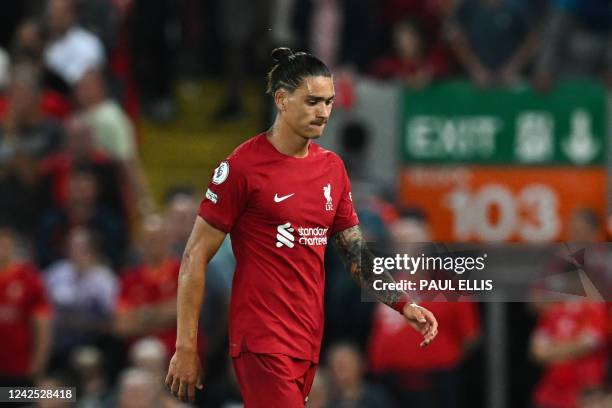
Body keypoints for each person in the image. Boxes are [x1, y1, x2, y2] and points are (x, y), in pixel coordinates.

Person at [165, 47, 438, 405]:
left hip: (307, 341)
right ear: (281, 99)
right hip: (261, 339)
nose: (323, 112)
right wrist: (185, 346)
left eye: (328, 102)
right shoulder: (243, 167)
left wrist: (403, 304)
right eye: (312, 101)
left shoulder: (333, 169)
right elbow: (194, 256)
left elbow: (356, 256)